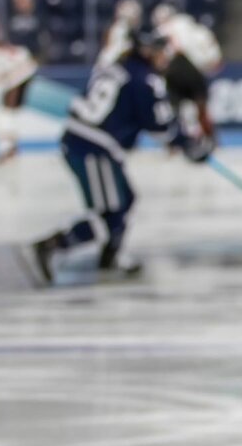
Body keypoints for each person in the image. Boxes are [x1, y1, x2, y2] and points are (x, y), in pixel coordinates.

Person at [32, 29, 212, 283]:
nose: (165, 57)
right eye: (161, 51)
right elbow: (160, 126)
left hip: (87, 142)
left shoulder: (118, 67)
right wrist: (189, 144)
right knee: (110, 210)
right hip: (94, 146)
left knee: (125, 200)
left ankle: (109, 257)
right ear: (148, 51)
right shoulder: (146, 79)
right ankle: (53, 245)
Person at [151, 3, 223, 141]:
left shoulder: (164, 30)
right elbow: (215, 58)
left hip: (176, 70)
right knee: (201, 107)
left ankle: (175, 142)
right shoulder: (197, 29)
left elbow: (158, 56)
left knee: (175, 109)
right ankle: (210, 138)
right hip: (194, 72)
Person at [0, 17, 38, 165]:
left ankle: (7, 147)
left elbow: (26, 69)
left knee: (5, 113)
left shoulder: (13, 53)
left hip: (2, 96)